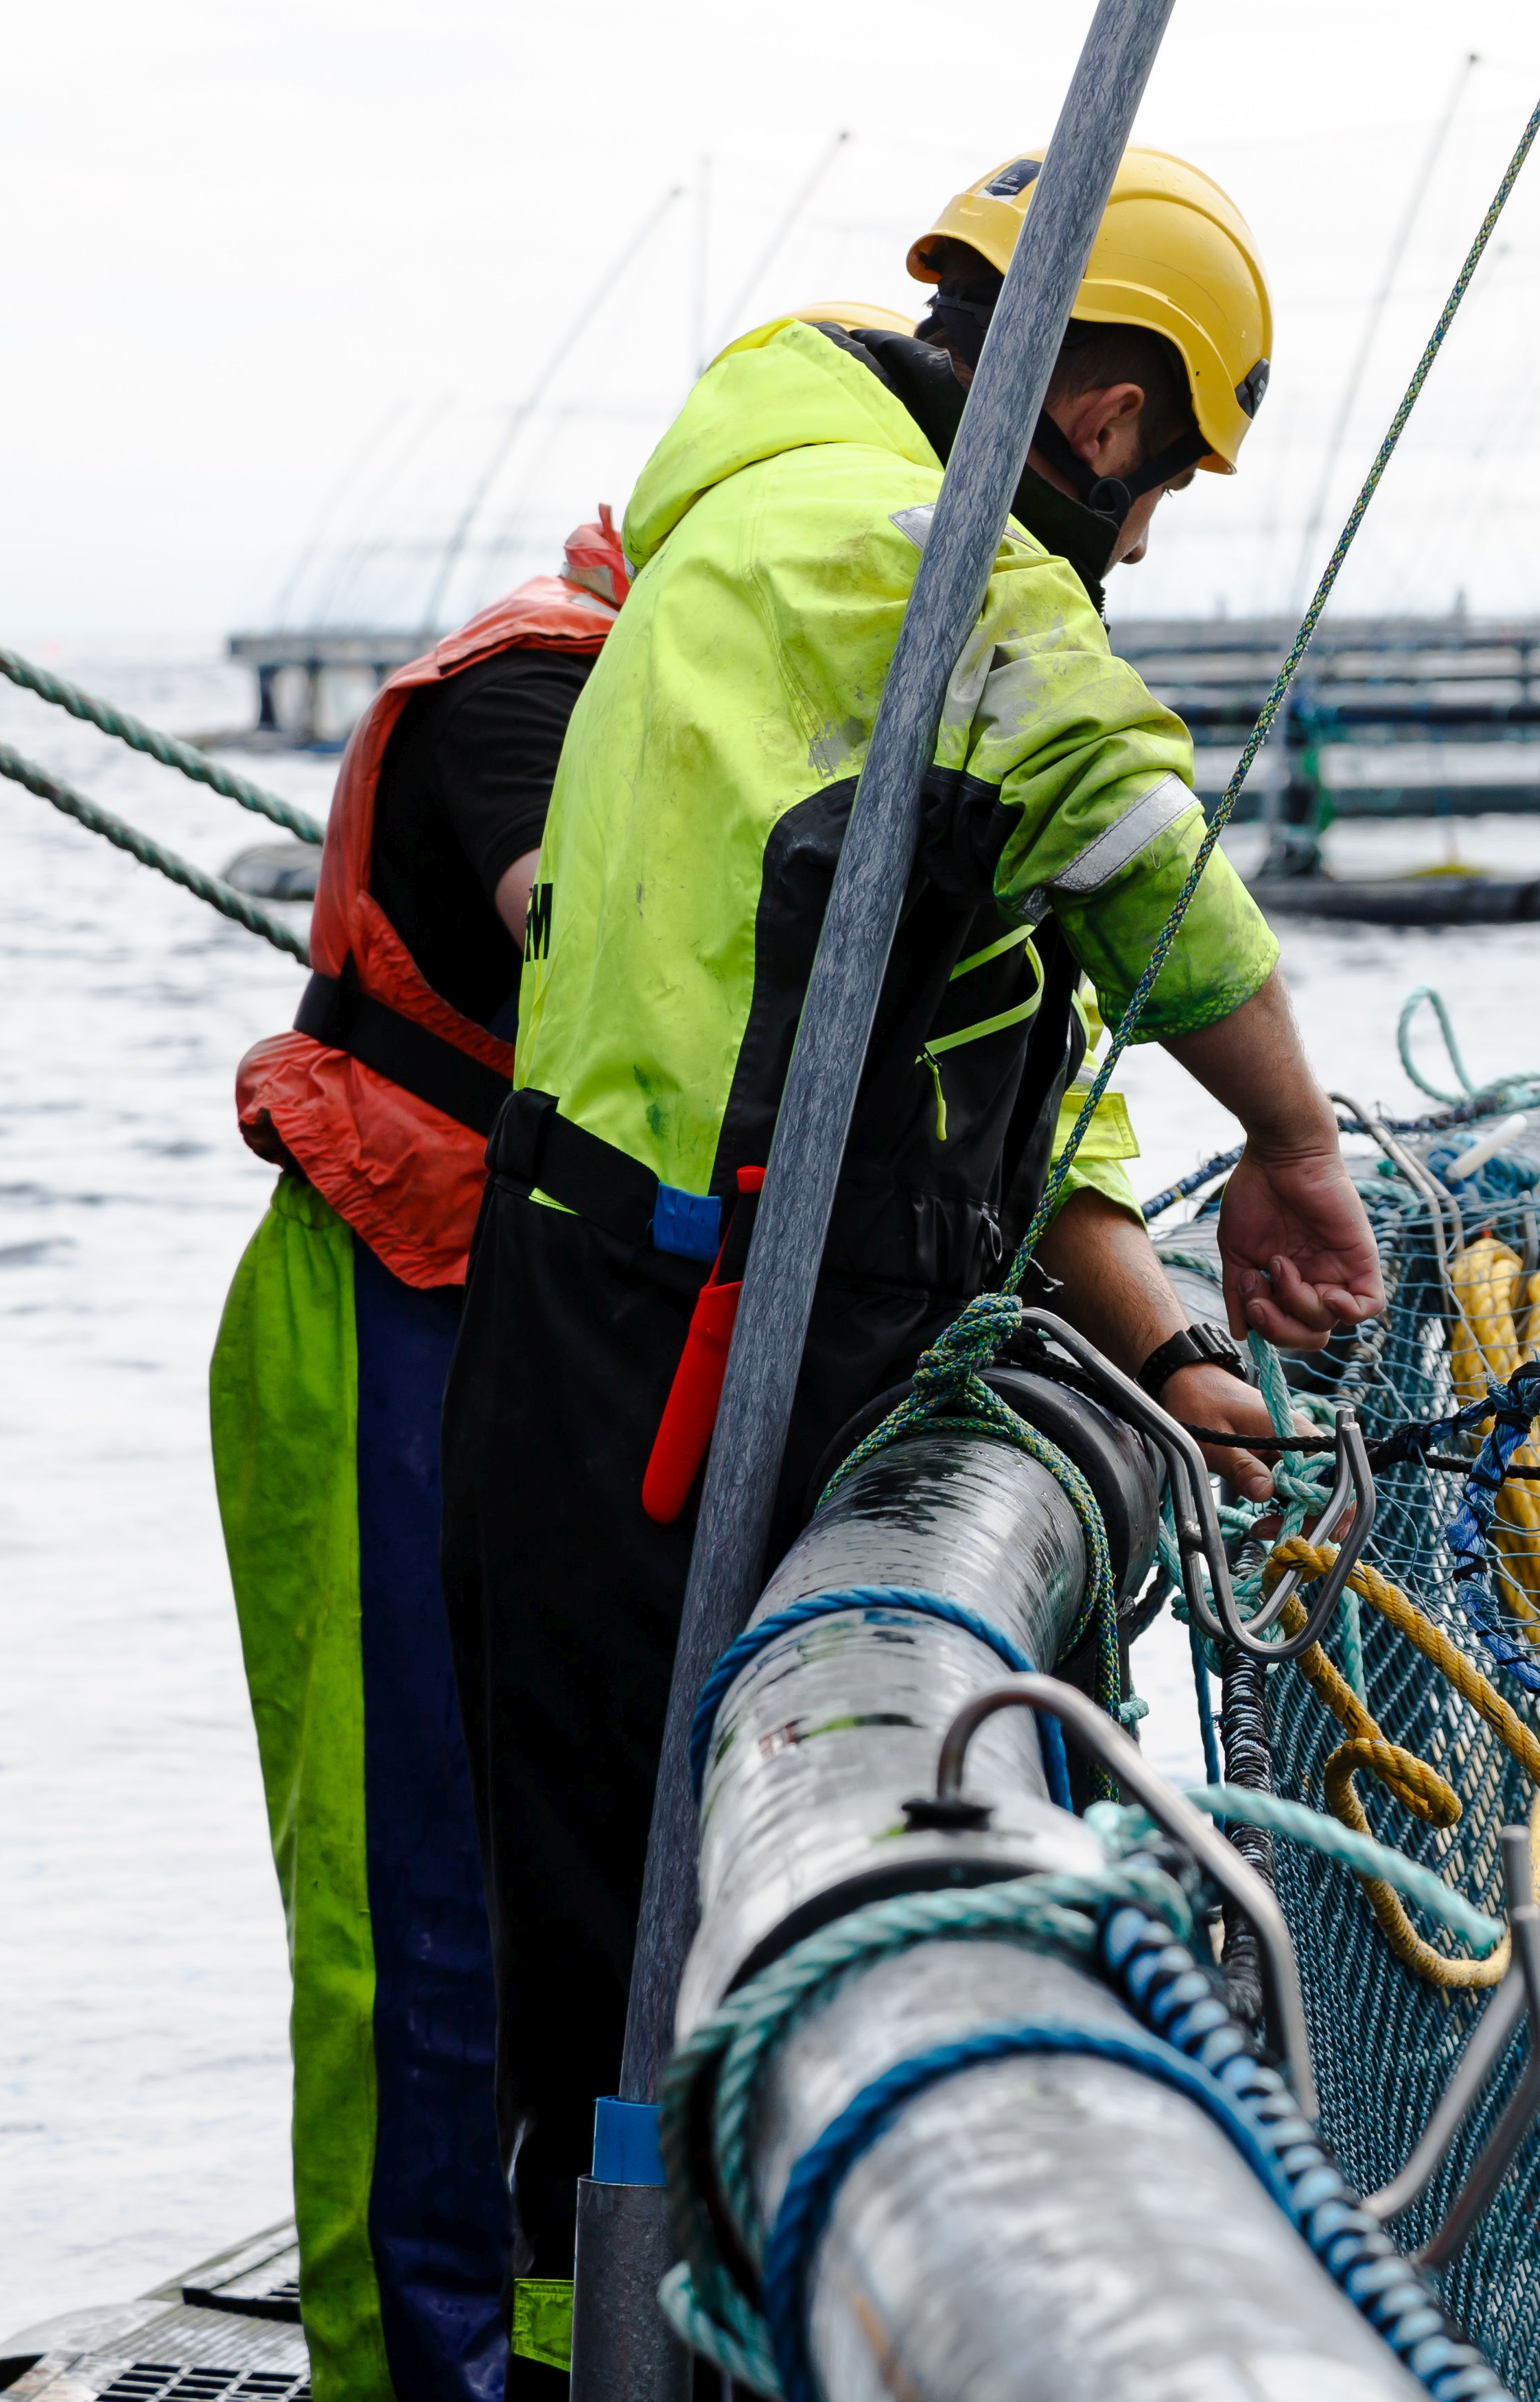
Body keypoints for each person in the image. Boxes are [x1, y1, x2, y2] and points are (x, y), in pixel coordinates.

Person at [435, 147, 1381, 2386]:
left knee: (643, 1944)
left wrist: (1162, 1339)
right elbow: (1132, 829)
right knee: (615, 1964)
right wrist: (1298, 1136)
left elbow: (985, 1027)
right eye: (1161, 484)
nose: (1141, 545)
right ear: (1111, 412)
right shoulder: (882, 549)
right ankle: (622, 2358)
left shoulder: (817, 528)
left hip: (718, 1326)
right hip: (651, 1363)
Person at [210, 511, 630, 2402]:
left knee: (584, 1879)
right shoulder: (531, 684)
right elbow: (568, 912)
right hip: (388, 1295)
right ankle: (406, 2374)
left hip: (554, 1328)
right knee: (413, 1894)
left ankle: (560, 2329)